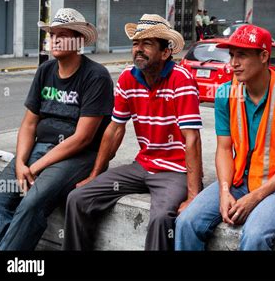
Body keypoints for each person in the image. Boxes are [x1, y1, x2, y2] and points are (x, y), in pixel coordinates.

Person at [62, 14, 203, 251]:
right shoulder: (128, 77)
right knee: (77, 198)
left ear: (165, 52)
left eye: (147, 44)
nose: (138, 49)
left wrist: (192, 195)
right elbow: (115, 129)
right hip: (143, 165)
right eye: (136, 44)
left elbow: (192, 140)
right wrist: (95, 174)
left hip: (176, 170)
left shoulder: (181, 79)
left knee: (161, 219)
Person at [175, 25, 275, 251]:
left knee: (254, 236)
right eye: (231, 55)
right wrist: (223, 191)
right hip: (239, 181)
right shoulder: (225, 93)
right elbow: (223, 149)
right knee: (186, 223)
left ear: (263, 56)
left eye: (242, 55)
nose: (233, 63)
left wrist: (256, 197)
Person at [0, 8, 114, 250]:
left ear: (78, 41)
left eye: (63, 34)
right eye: (52, 34)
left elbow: (82, 138)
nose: (54, 39)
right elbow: (28, 123)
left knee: (32, 203)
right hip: (40, 149)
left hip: (77, 155)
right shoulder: (45, 70)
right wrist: (20, 163)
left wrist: (34, 168)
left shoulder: (96, 76)